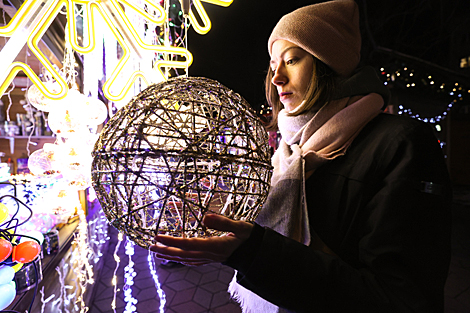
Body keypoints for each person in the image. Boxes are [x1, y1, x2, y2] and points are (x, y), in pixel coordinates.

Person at [150, 0, 452, 312]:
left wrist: (254, 252)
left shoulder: (402, 144)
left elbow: (402, 299)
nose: (277, 77)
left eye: (292, 60)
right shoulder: (287, 150)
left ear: (329, 62)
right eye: (272, 65)